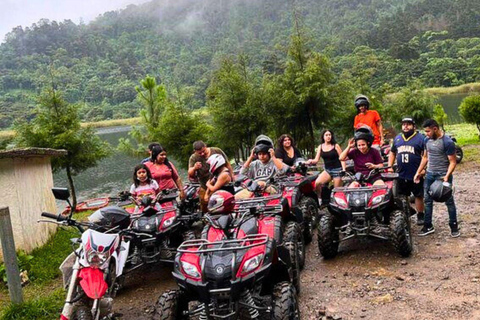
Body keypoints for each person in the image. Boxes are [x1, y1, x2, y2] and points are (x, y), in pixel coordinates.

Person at [413, 119, 459, 237]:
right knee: (427, 200)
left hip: (443, 175)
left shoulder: (447, 142)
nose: (426, 134)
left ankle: (454, 227)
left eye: (428, 131)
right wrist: (418, 172)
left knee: (449, 201)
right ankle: (428, 226)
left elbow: (453, 162)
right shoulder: (426, 140)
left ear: (435, 129)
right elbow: (425, 157)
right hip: (430, 174)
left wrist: (447, 176)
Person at [387, 116, 426, 225]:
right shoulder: (398, 138)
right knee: (403, 195)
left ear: (414, 126)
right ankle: (407, 212)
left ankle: (420, 215)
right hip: (401, 173)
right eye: (404, 124)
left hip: (415, 173)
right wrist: (390, 166)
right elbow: (392, 152)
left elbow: (425, 155)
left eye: (408, 124)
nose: (406, 126)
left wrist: (423, 170)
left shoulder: (420, 138)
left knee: (418, 195)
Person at [188, 141, 233, 212]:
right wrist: (194, 168)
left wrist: (233, 178)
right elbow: (190, 173)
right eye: (199, 153)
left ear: (205, 146)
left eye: (204, 151)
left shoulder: (216, 151)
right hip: (204, 185)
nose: (202, 154)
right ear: (195, 151)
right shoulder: (194, 158)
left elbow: (227, 164)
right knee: (205, 205)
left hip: (219, 184)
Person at [306, 129, 346, 195]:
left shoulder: (336, 146)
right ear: (323, 137)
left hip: (337, 170)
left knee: (337, 191)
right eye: (326, 135)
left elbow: (342, 158)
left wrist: (344, 170)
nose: (328, 136)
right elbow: (316, 159)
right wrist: (309, 161)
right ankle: (320, 199)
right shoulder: (320, 146)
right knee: (317, 183)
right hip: (327, 170)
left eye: (329, 135)